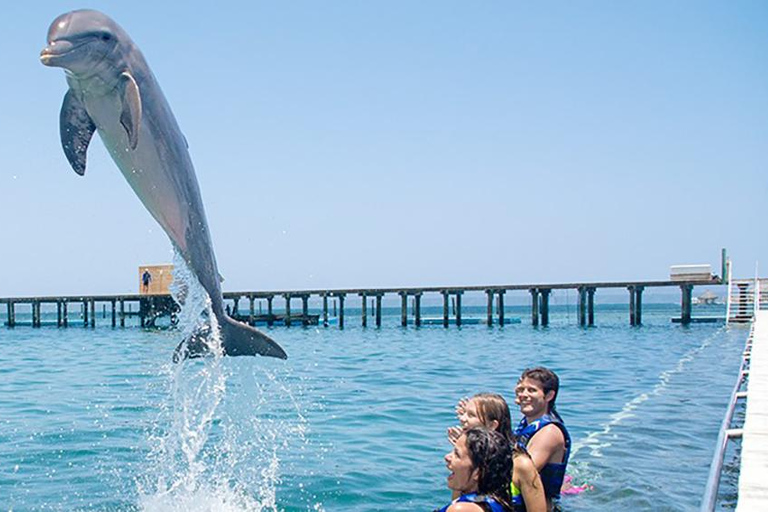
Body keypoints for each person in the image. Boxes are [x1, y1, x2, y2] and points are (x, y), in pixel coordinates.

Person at [448, 393, 546, 512]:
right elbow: (456, 500)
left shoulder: (521, 464)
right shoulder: (468, 460)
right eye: (464, 413)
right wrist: (464, 454)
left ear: (492, 425)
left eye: (471, 415)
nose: (462, 419)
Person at [513, 367, 571, 509]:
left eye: (531, 390)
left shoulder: (549, 433)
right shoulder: (528, 424)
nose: (523, 395)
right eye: (520, 390)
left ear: (549, 396)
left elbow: (518, 475)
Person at [436, 427, 514, 512]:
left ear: (477, 473)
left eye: (457, 454)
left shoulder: (461, 510)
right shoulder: (496, 502)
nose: (447, 457)